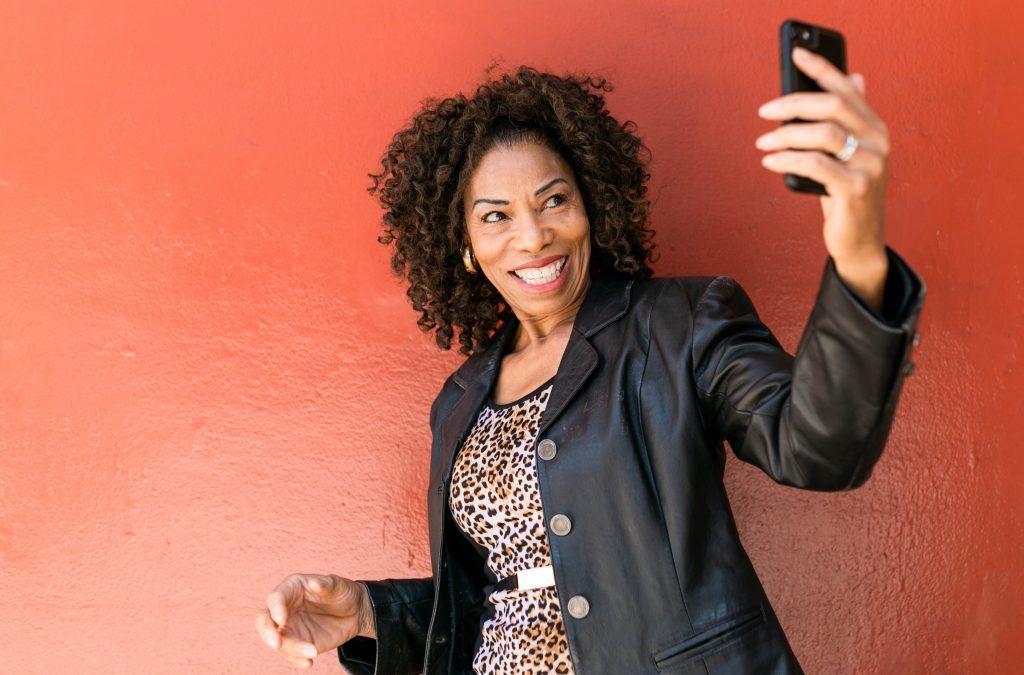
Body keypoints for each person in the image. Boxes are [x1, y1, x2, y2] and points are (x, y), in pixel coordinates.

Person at [255, 51, 926, 674]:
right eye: (496, 216)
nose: (533, 234)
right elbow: (498, 593)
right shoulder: (459, 400)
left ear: (590, 208)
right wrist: (371, 611)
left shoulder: (678, 323)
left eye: (553, 200)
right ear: (465, 246)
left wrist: (860, 254)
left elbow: (818, 446)